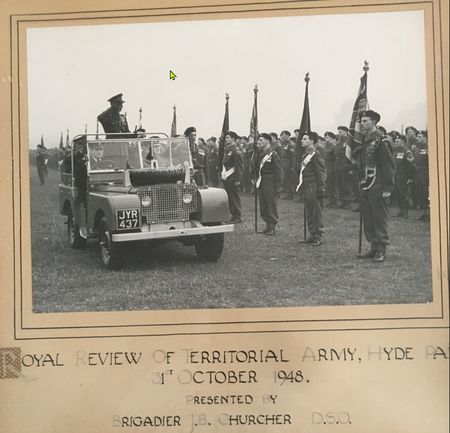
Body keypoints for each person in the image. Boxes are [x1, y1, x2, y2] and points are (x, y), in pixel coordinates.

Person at [357, 110, 396, 263]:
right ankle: (373, 246)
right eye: (362, 121)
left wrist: (388, 188)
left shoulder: (382, 141)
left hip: (378, 185)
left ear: (374, 122)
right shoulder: (365, 140)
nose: (362, 123)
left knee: (379, 217)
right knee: (368, 216)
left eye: (365, 121)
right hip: (367, 184)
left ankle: (381, 249)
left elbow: (388, 165)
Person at [296, 132, 326, 246]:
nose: (301, 140)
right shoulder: (305, 154)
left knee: (316, 211)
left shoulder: (315, 154)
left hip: (314, 184)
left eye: (305, 139)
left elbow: (321, 172)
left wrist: (321, 188)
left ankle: (318, 235)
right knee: (309, 210)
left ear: (312, 141)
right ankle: (312, 233)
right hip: (306, 184)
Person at [250, 133, 284, 235]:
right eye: (258, 140)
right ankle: (267, 224)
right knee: (263, 204)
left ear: (268, 141)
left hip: (270, 181)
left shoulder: (273, 154)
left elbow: (279, 171)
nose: (259, 142)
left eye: (261, 140)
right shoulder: (257, 154)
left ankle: (272, 225)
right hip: (261, 180)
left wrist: (278, 186)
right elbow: (254, 168)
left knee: (270, 204)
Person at [221, 131, 243, 223]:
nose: (226, 139)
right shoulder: (228, 150)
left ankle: (237, 216)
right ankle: (233, 215)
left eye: (228, 137)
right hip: (227, 176)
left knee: (234, 197)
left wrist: (238, 179)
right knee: (229, 196)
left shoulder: (235, 151)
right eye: (226, 138)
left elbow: (238, 166)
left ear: (233, 139)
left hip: (232, 176)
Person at [393, 135, 415, 218]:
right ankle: (400, 210)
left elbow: (411, 166)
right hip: (395, 175)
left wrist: (410, 177)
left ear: (403, 142)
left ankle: (405, 212)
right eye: (395, 141)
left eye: (397, 141)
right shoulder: (394, 151)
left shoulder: (407, 152)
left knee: (404, 194)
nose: (395, 143)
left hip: (403, 176)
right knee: (397, 194)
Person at [335, 126, 352, 209]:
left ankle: (347, 203)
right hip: (338, 164)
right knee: (340, 185)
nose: (339, 133)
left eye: (340, 132)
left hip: (345, 165)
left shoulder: (348, 141)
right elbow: (336, 151)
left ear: (346, 132)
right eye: (338, 132)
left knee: (346, 185)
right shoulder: (339, 141)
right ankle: (342, 201)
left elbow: (348, 153)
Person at [414, 130, 430, 221]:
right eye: (418, 137)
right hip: (417, 173)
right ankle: (424, 213)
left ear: (425, 138)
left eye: (420, 137)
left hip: (425, 172)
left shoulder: (429, 147)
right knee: (419, 192)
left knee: (426, 192)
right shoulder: (417, 147)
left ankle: (429, 213)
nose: (418, 138)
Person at [323, 131, 338, 207]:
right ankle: (330, 200)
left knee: (331, 184)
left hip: (331, 166)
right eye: (325, 137)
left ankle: (334, 201)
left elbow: (335, 158)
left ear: (332, 138)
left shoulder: (333, 146)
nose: (325, 138)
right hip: (325, 165)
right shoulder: (325, 146)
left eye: (327, 137)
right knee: (328, 184)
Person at [279, 130, 295, 200]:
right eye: (281, 135)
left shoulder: (290, 144)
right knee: (285, 179)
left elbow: (292, 156)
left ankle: (290, 194)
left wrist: (292, 166)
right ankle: (286, 193)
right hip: (283, 163)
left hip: (288, 163)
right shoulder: (283, 144)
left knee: (288, 179)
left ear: (288, 136)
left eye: (283, 135)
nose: (282, 136)